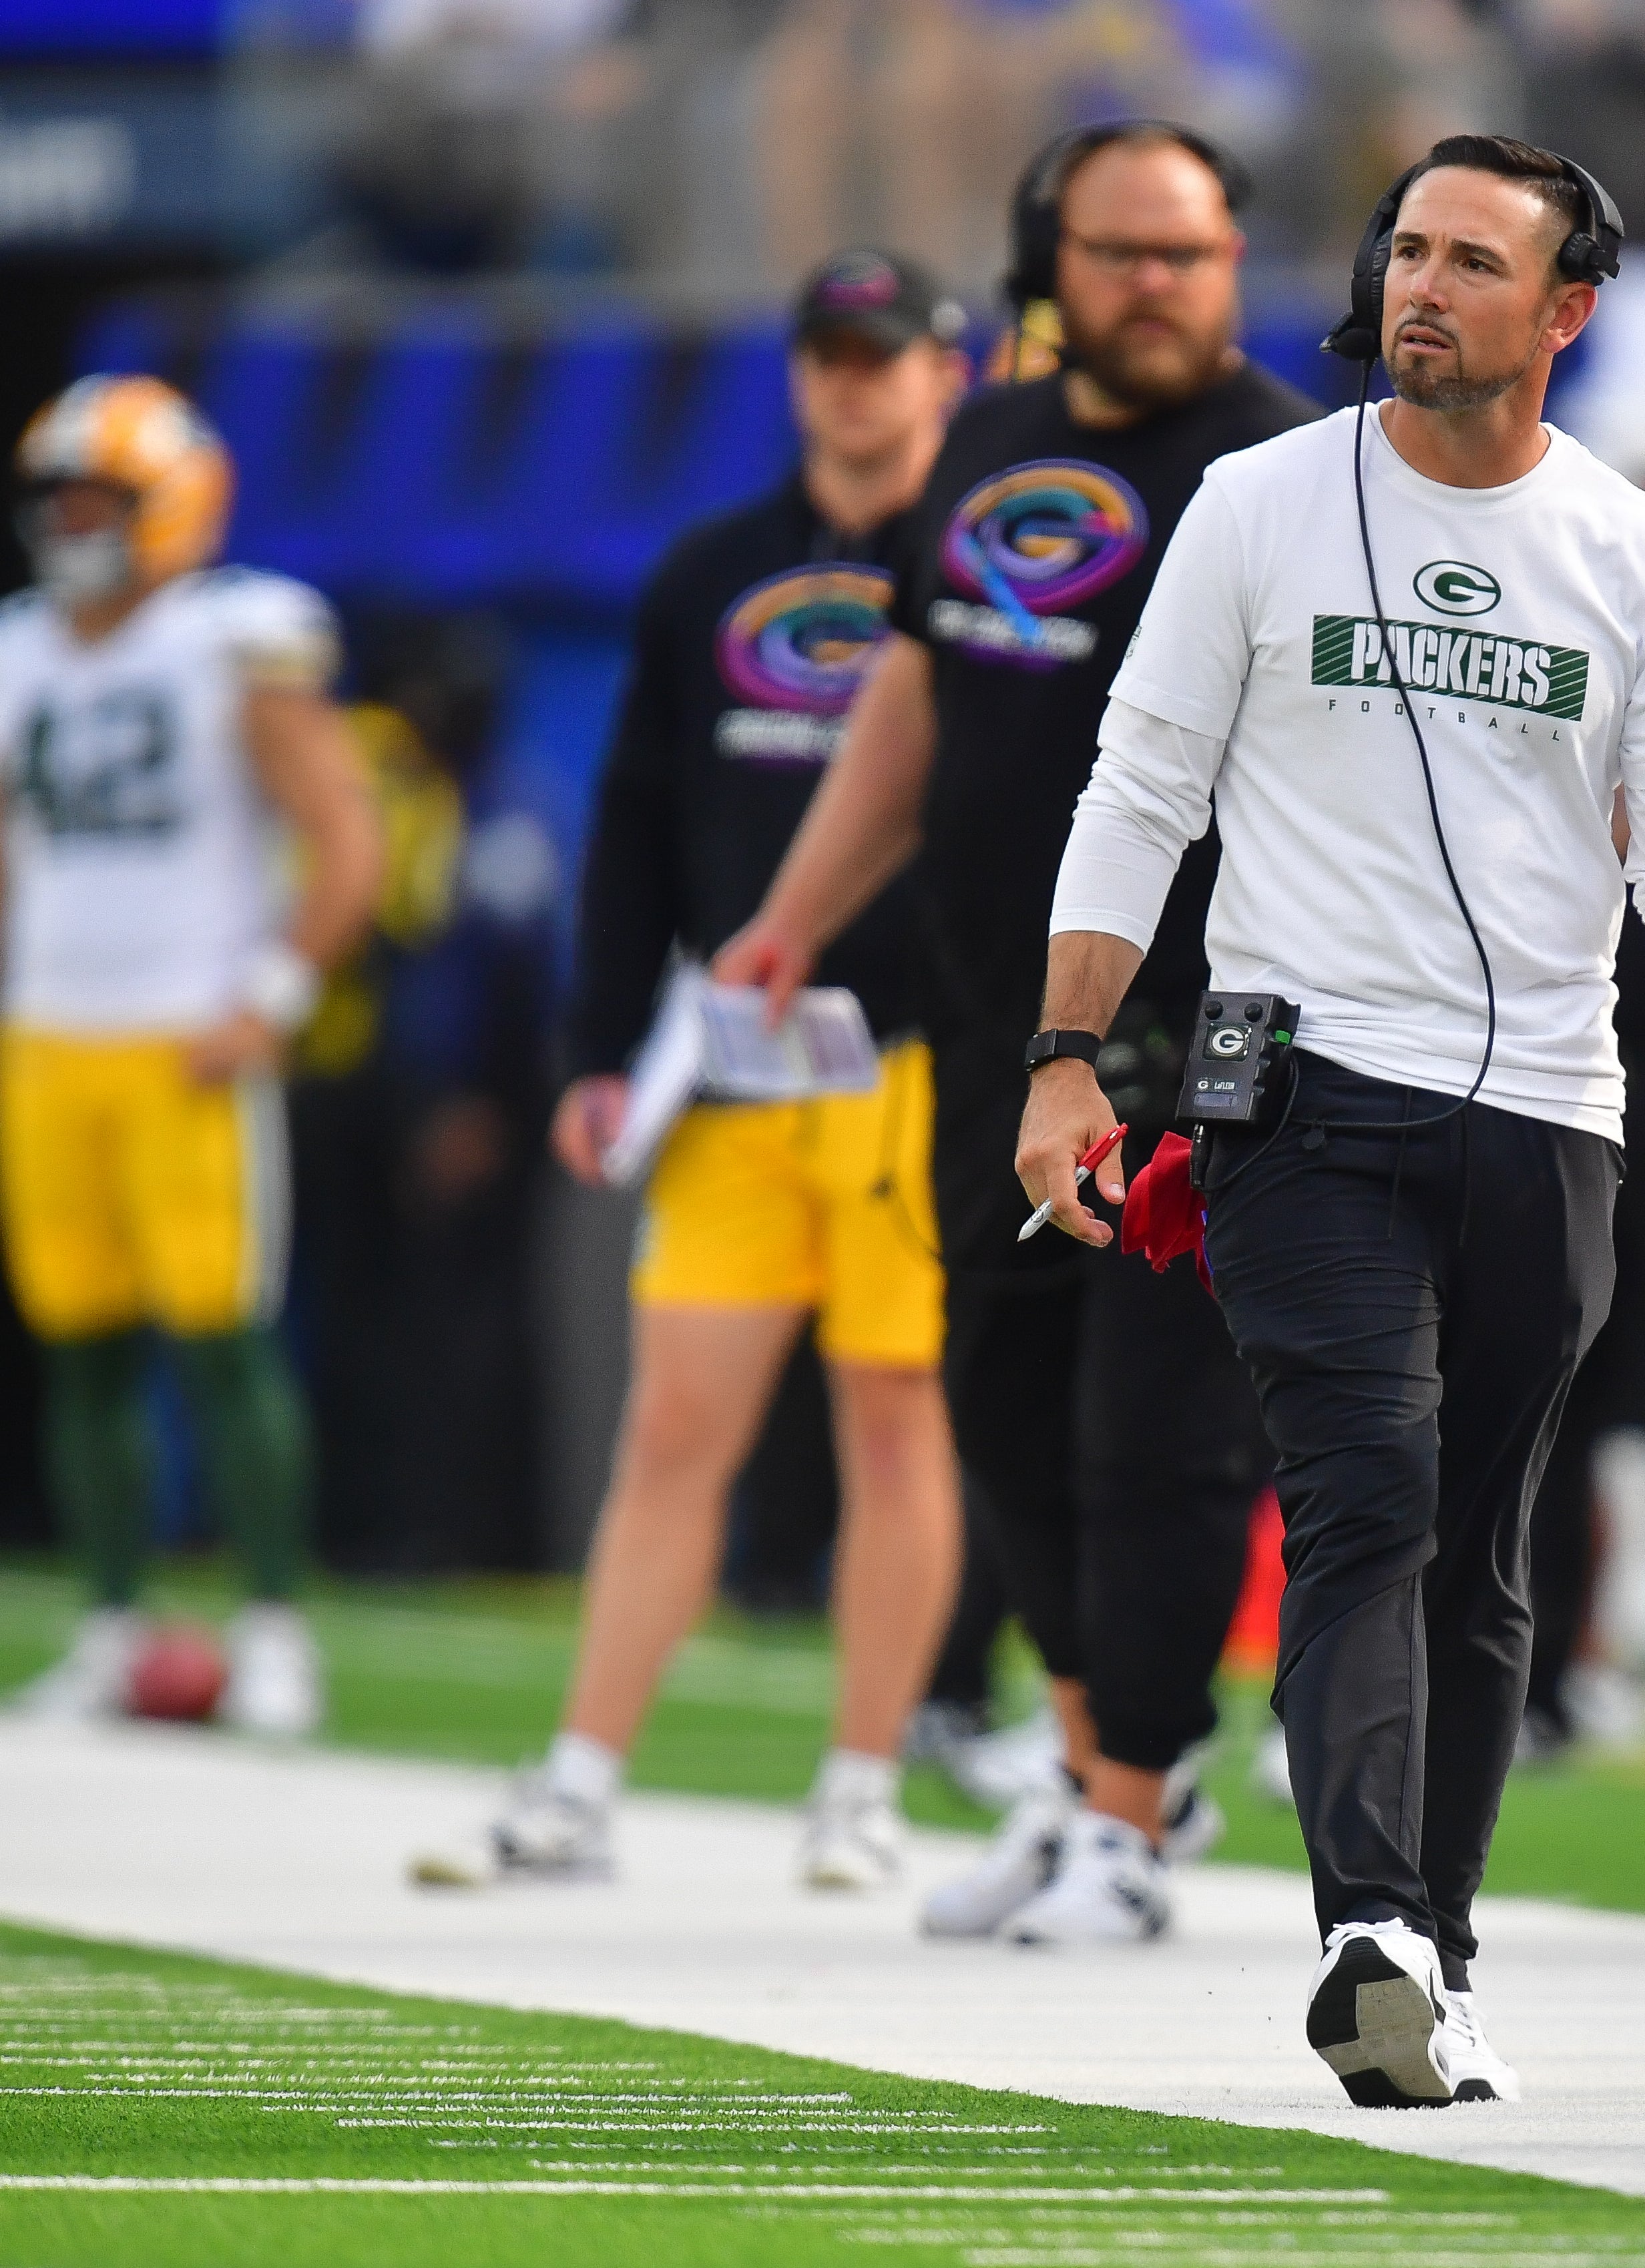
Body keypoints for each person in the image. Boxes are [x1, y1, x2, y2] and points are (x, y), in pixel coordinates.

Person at [1020, 133, 1645, 2106]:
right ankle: (1368, 1920)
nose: (1419, 284)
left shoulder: (1639, 553)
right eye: (1404, 247)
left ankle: (1430, 1951)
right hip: (1303, 1091)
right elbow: (1139, 785)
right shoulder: (1255, 503)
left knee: (1485, 1551)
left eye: (1471, 258)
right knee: (1367, 1491)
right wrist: (1064, 1051)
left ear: (1566, 312)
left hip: (1553, 1113)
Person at [720, 123, 1317, 1946]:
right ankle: (1096, 1770)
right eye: (1125, 252)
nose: (1163, 285)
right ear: (1047, 259)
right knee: (1006, 1404)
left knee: (1160, 1425)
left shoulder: (1286, 464)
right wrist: (794, 912)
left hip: (1208, 1019)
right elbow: (916, 685)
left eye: (1193, 254)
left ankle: (1129, 1812)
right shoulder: (990, 434)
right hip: (999, 1015)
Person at [409, 252, 972, 1894]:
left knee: (895, 1419)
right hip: (736, 1070)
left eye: (883, 353)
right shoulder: (708, 573)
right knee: (674, 1428)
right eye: (828, 352)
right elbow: (637, 823)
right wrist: (596, 1048)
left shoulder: (994, 572)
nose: (853, 380)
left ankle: (861, 1785)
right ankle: (580, 1781)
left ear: (945, 371)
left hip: (916, 1063)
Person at [1, 376, 381, 1738]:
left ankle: (274, 1631)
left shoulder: (235, 635)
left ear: (171, 507)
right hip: (49, 1034)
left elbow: (347, 834)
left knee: (221, 1342)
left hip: (185, 1042)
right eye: (62, 499)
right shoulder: (20, 650)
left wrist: (268, 995)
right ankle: (113, 1628)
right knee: (82, 1345)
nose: (74, 525)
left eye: (101, 499)